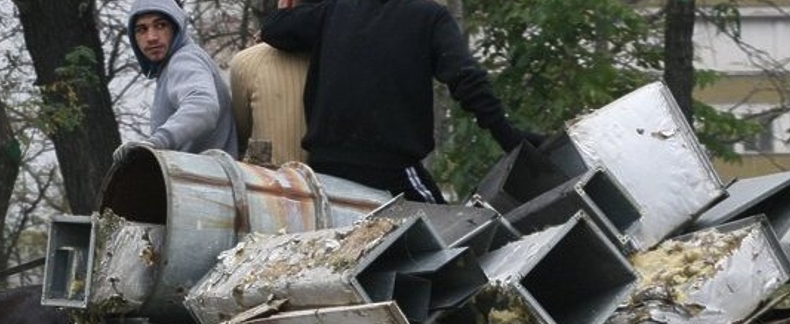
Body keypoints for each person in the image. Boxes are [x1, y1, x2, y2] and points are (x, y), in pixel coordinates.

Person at [261, 0, 542, 203]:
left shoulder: (333, 12)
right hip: (390, 171)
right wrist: (509, 137)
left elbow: (273, 28)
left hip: (324, 169)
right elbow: (466, 79)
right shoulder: (429, 17)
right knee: (456, 236)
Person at [114, 0, 238, 163]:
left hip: (205, 182)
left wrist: (156, 142)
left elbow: (203, 106)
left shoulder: (183, 60)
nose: (151, 37)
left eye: (160, 25)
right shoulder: (171, 66)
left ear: (176, 28)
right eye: (141, 29)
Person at [228, 0, 311, 166]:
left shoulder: (248, 62)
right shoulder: (348, 54)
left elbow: (240, 132)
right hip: (336, 184)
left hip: (266, 183)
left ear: (285, 3)